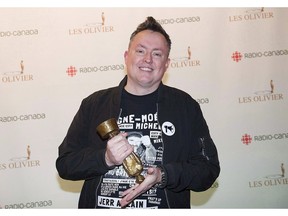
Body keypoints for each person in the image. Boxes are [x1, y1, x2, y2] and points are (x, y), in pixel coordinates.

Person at [56, 16, 220, 209]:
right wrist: (105, 158)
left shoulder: (185, 106)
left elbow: (207, 170)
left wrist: (163, 175)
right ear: (127, 57)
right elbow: (65, 164)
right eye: (140, 51)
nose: (148, 59)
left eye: (157, 54)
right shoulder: (94, 104)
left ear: (166, 64)